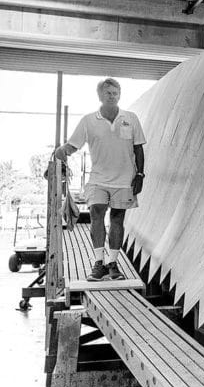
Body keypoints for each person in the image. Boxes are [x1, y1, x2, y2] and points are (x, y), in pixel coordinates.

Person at [54, 78, 146, 281]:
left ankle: (112, 263)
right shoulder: (88, 120)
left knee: (117, 218)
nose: (112, 96)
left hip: (124, 178)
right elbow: (73, 145)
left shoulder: (130, 118)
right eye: (108, 93)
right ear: (100, 96)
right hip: (98, 178)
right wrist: (62, 151)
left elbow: (138, 148)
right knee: (96, 212)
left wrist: (140, 174)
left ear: (119, 95)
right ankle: (98, 262)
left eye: (115, 93)